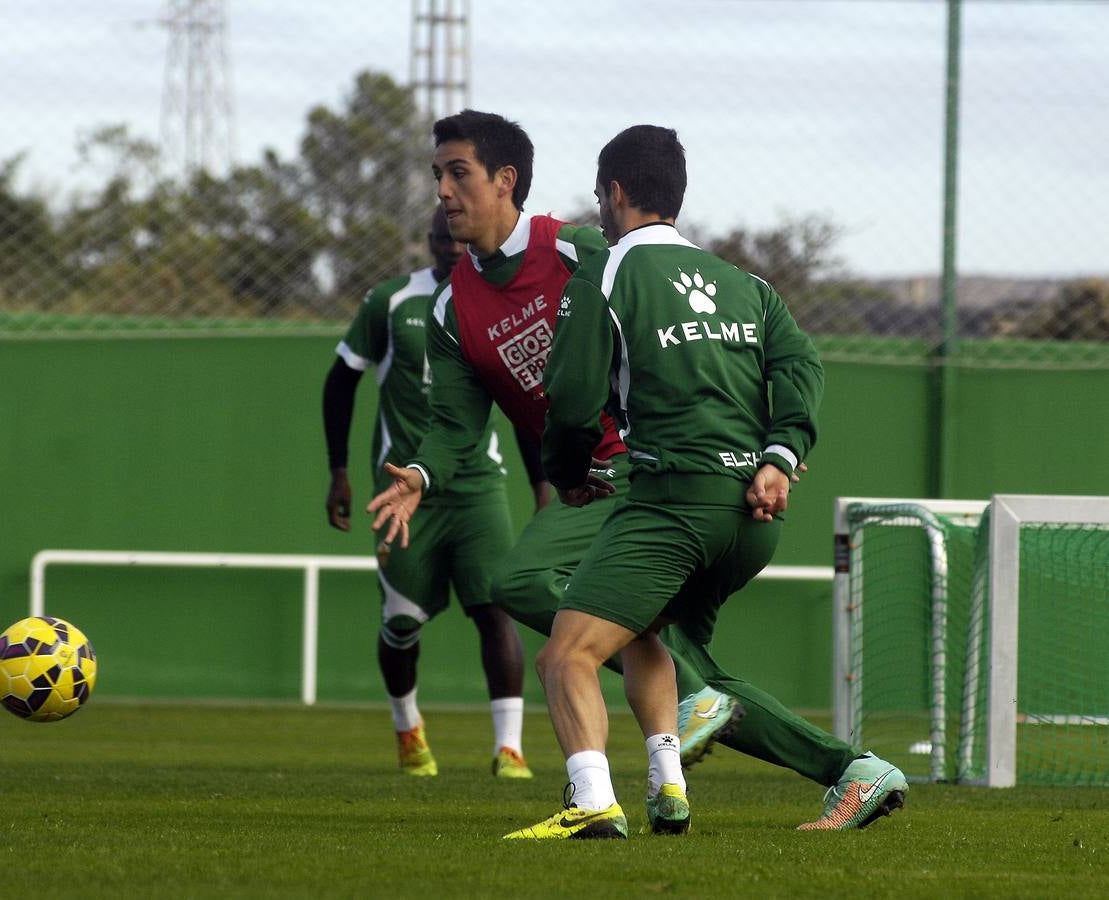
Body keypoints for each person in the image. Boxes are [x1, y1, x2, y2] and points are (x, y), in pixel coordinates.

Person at [366, 110, 907, 834]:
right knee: (669, 653)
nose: (442, 190)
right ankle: (833, 771)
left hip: (635, 480)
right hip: (711, 493)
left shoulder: (591, 256)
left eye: (456, 172)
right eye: (436, 175)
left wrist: (568, 470)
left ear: (507, 180)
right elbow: (453, 428)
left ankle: (602, 792)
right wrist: (423, 476)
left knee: (524, 584)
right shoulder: (451, 310)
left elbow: (578, 393)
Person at [322, 203, 534, 779]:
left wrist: (544, 487)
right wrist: (338, 470)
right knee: (401, 624)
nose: (452, 246)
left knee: (496, 608)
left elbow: (521, 397)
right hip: (403, 490)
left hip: (478, 486)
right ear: (430, 241)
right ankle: (408, 728)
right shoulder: (391, 302)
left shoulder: (498, 302)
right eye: (441, 237)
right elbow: (341, 380)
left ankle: (509, 747)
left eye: (458, 238)